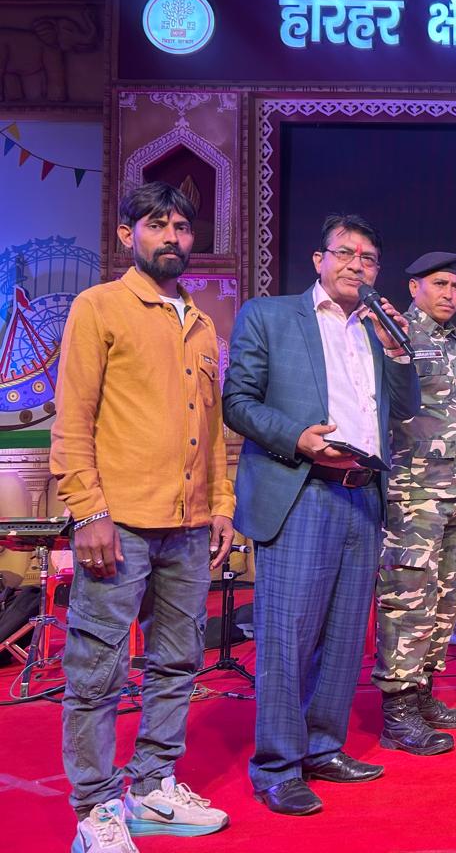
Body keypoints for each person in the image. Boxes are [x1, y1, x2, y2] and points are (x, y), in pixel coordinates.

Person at [51, 182, 234, 853]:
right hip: (118, 522)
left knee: (177, 661)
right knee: (97, 668)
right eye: (158, 225)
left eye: (182, 227)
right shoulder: (98, 306)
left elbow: (210, 428)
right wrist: (89, 512)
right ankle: (95, 808)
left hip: (188, 526)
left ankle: (153, 786)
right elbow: (72, 418)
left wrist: (221, 506)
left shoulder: (202, 323)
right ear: (129, 235)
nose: (173, 237)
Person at [223, 214, 419, 816]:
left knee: (343, 636)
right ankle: (277, 767)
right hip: (303, 487)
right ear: (319, 259)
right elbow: (237, 401)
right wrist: (298, 439)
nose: (357, 264)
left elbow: (406, 408)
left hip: (362, 491)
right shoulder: (270, 315)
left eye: (369, 258)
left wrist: (399, 352)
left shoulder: (377, 329)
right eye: (345, 253)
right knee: (289, 636)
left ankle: (322, 747)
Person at [372, 251, 456, 757]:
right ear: (414, 287)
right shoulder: (394, 334)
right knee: (407, 599)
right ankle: (397, 713)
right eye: (439, 284)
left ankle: (422, 693)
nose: (449, 294)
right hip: (414, 492)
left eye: (455, 286)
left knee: (445, 598)